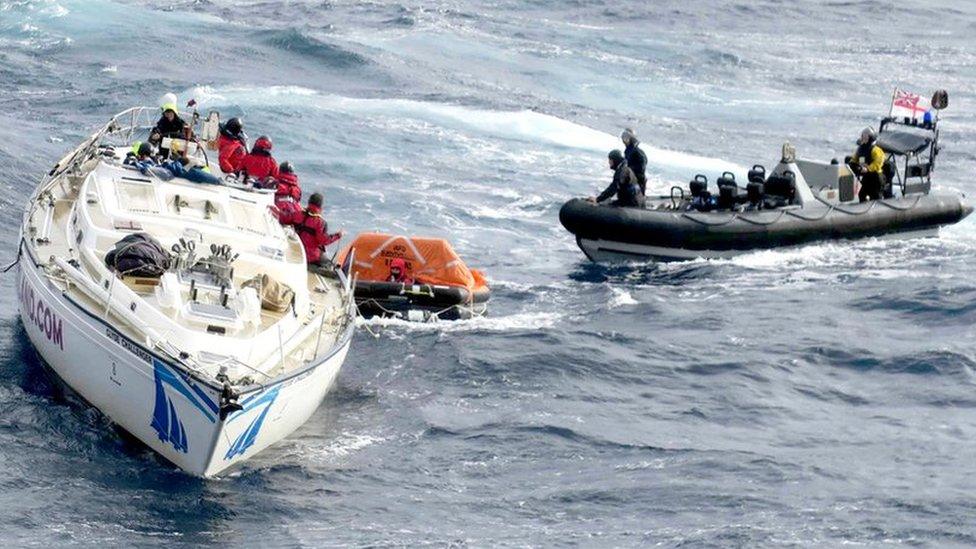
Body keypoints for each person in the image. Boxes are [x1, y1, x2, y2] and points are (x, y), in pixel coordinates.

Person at [294, 193, 343, 272]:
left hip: (298, 251)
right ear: (320, 206)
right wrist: (338, 235)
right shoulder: (320, 223)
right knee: (330, 265)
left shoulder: (298, 214)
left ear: (309, 202)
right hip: (312, 256)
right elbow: (324, 240)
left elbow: (285, 218)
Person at [850, 127, 885, 202]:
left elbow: (878, 162)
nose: (863, 138)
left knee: (875, 196)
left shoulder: (875, 150)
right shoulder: (860, 149)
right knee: (862, 194)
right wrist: (852, 164)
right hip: (867, 177)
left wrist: (868, 168)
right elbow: (855, 159)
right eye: (863, 136)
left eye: (865, 136)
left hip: (876, 177)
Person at [621, 128, 648, 194]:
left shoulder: (637, 152)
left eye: (625, 137)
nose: (623, 140)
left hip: (638, 181)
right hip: (631, 179)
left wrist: (629, 169)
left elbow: (643, 164)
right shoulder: (628, 150)